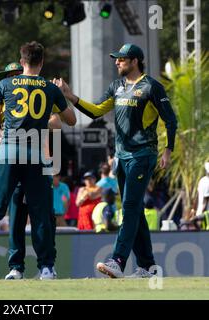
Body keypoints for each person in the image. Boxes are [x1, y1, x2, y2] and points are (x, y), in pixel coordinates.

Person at [54, 43, 177, 278]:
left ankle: (118, 261)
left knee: (129, 207)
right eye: (116, 59)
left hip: (143, 154)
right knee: (135, 210)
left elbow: (170, 120)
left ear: (134, 61)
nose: (117, 62)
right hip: (122, 156)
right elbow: (97, 111)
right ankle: (148, 267)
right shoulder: (117, 87)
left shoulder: (152, 87)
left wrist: (168, 150)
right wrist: (71, 97)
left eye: (121, 59)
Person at [0, 41, 76, 280]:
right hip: (35, 155)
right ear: (42, 62)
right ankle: (46, 268)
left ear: (22, 61)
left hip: (8, 152)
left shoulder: (5, 84)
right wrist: (63, 95)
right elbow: (71, 120)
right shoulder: (49, 88)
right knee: (40, 213)